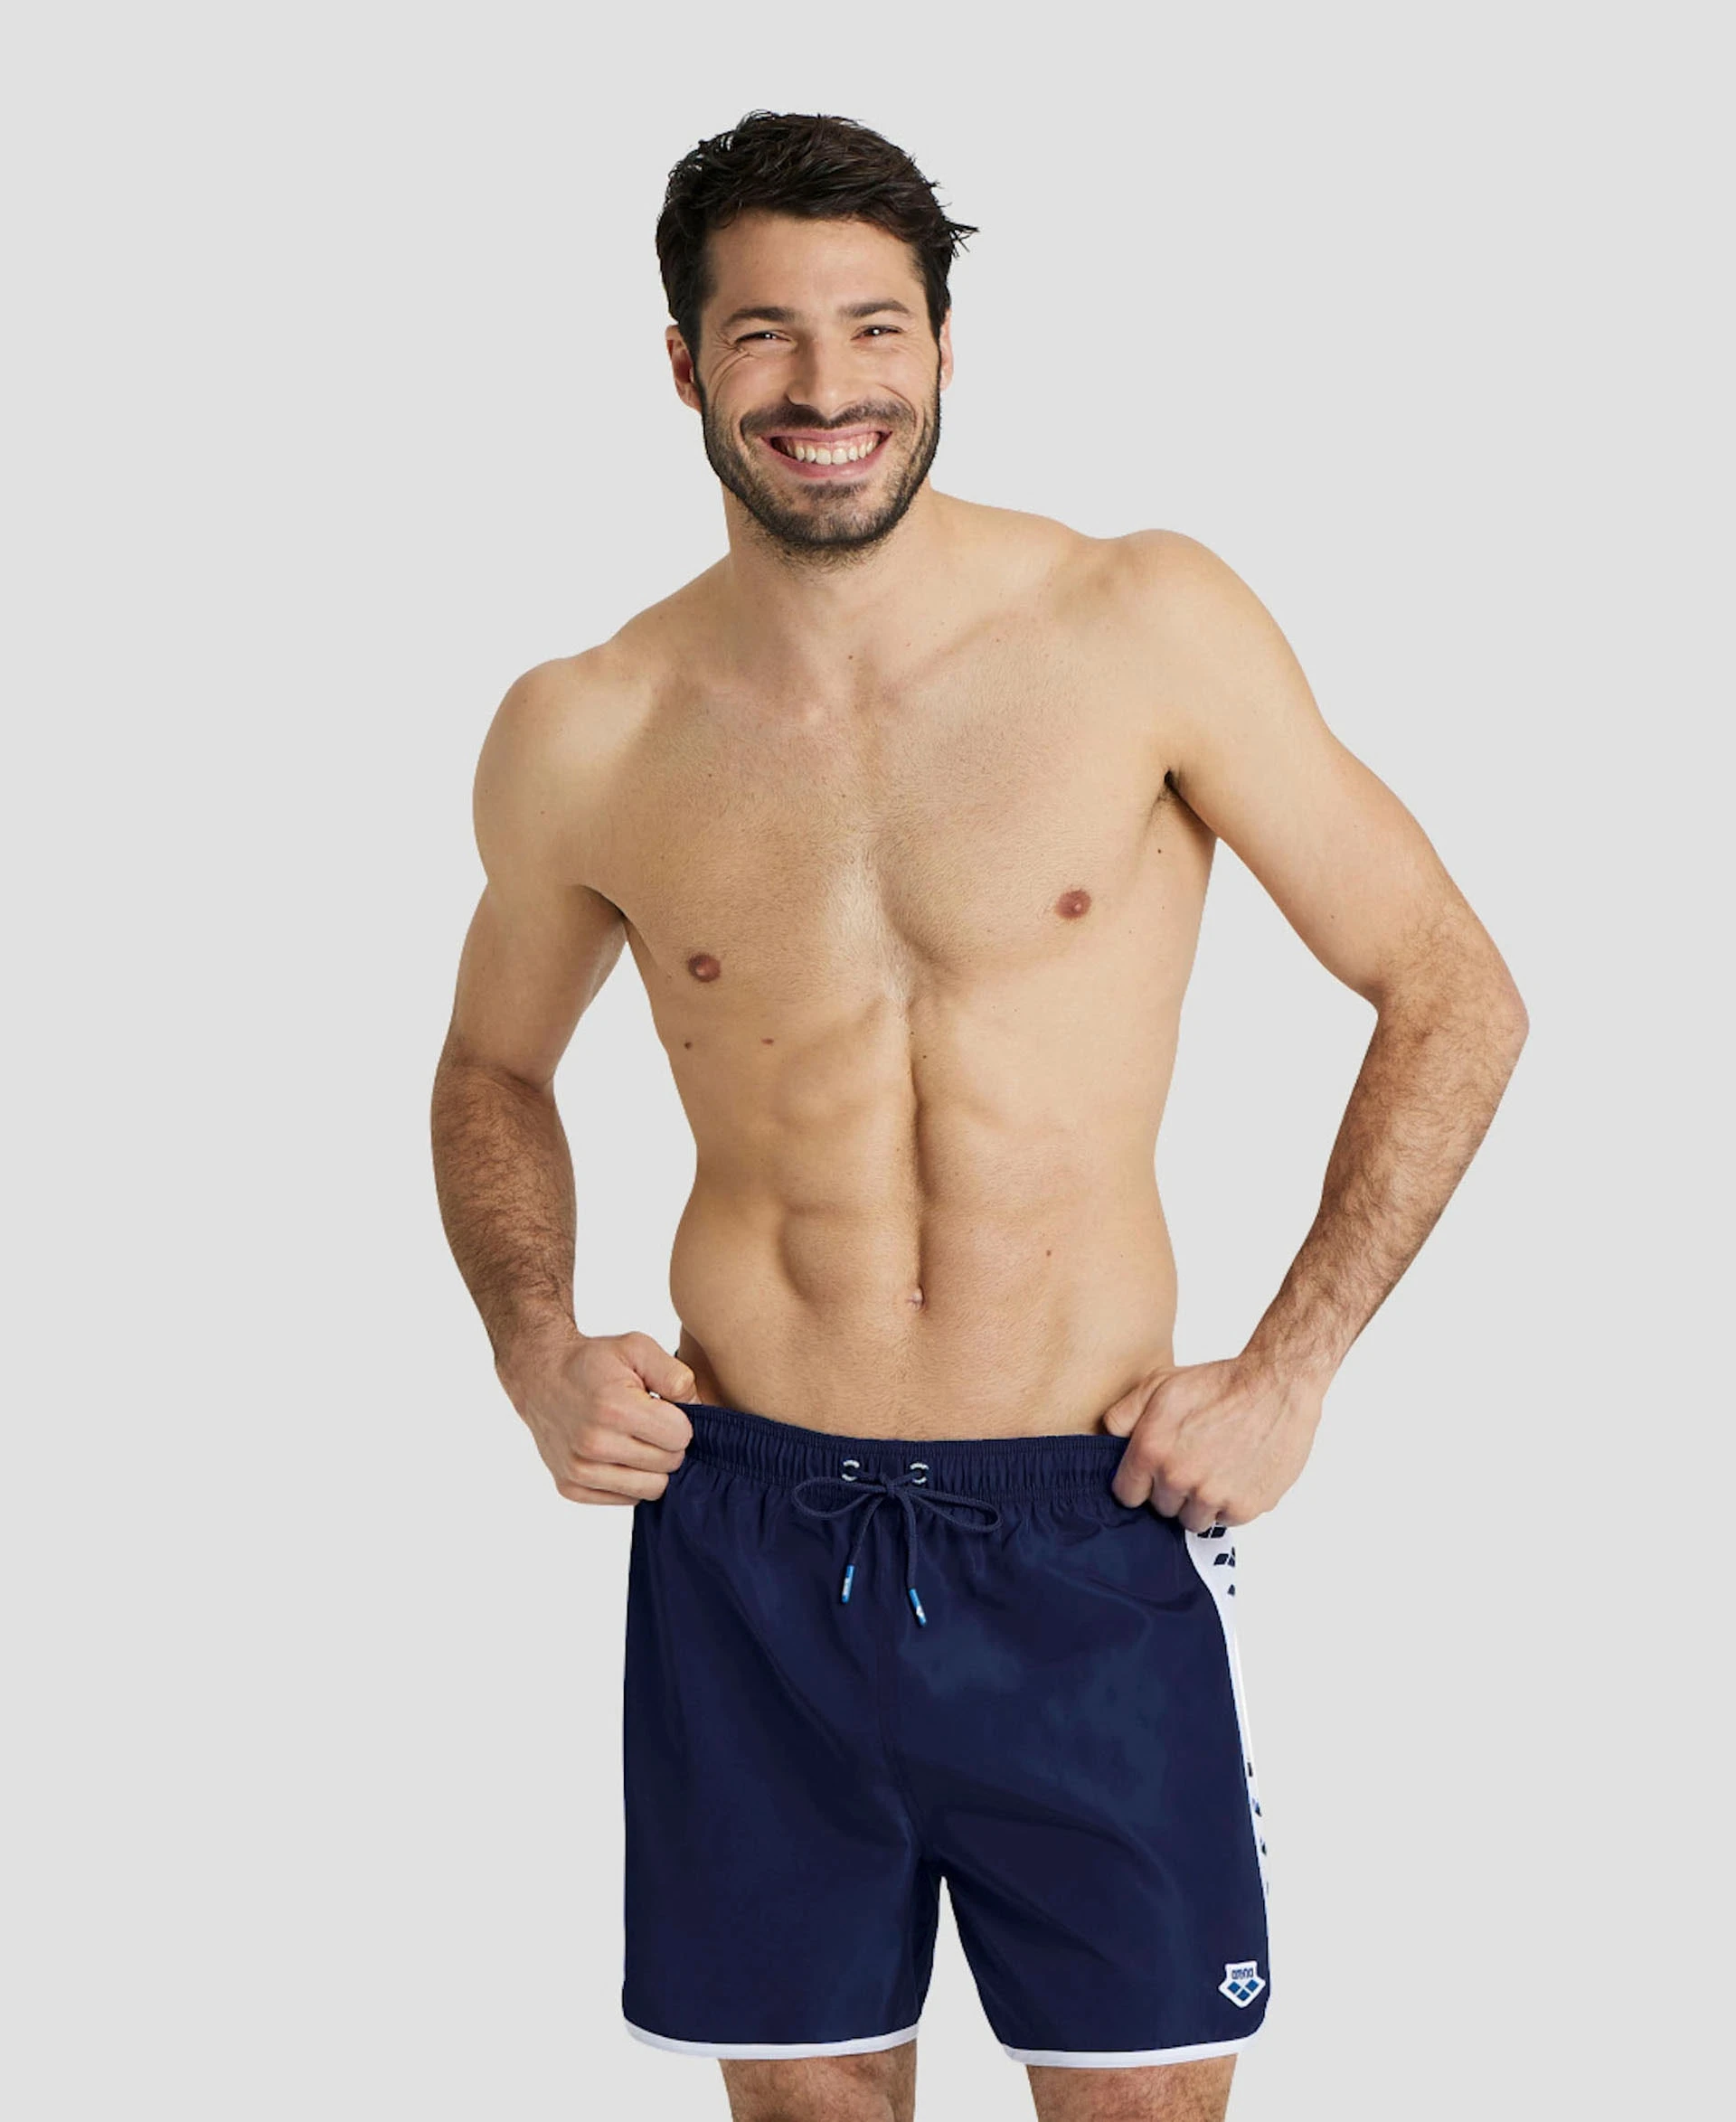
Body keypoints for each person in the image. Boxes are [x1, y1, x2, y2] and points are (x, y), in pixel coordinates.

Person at [429, 108, 1527, 2122]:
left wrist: (1293, 1370)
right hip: (746, 1530)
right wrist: (531, 1340)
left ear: (944, 345)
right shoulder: (585, 726)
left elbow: (1450, 985)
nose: (826, 387)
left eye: (874, 327)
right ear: (682, 364)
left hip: (1086, 1521)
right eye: (764, 335)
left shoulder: (1142, 626)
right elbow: (493, 1068)